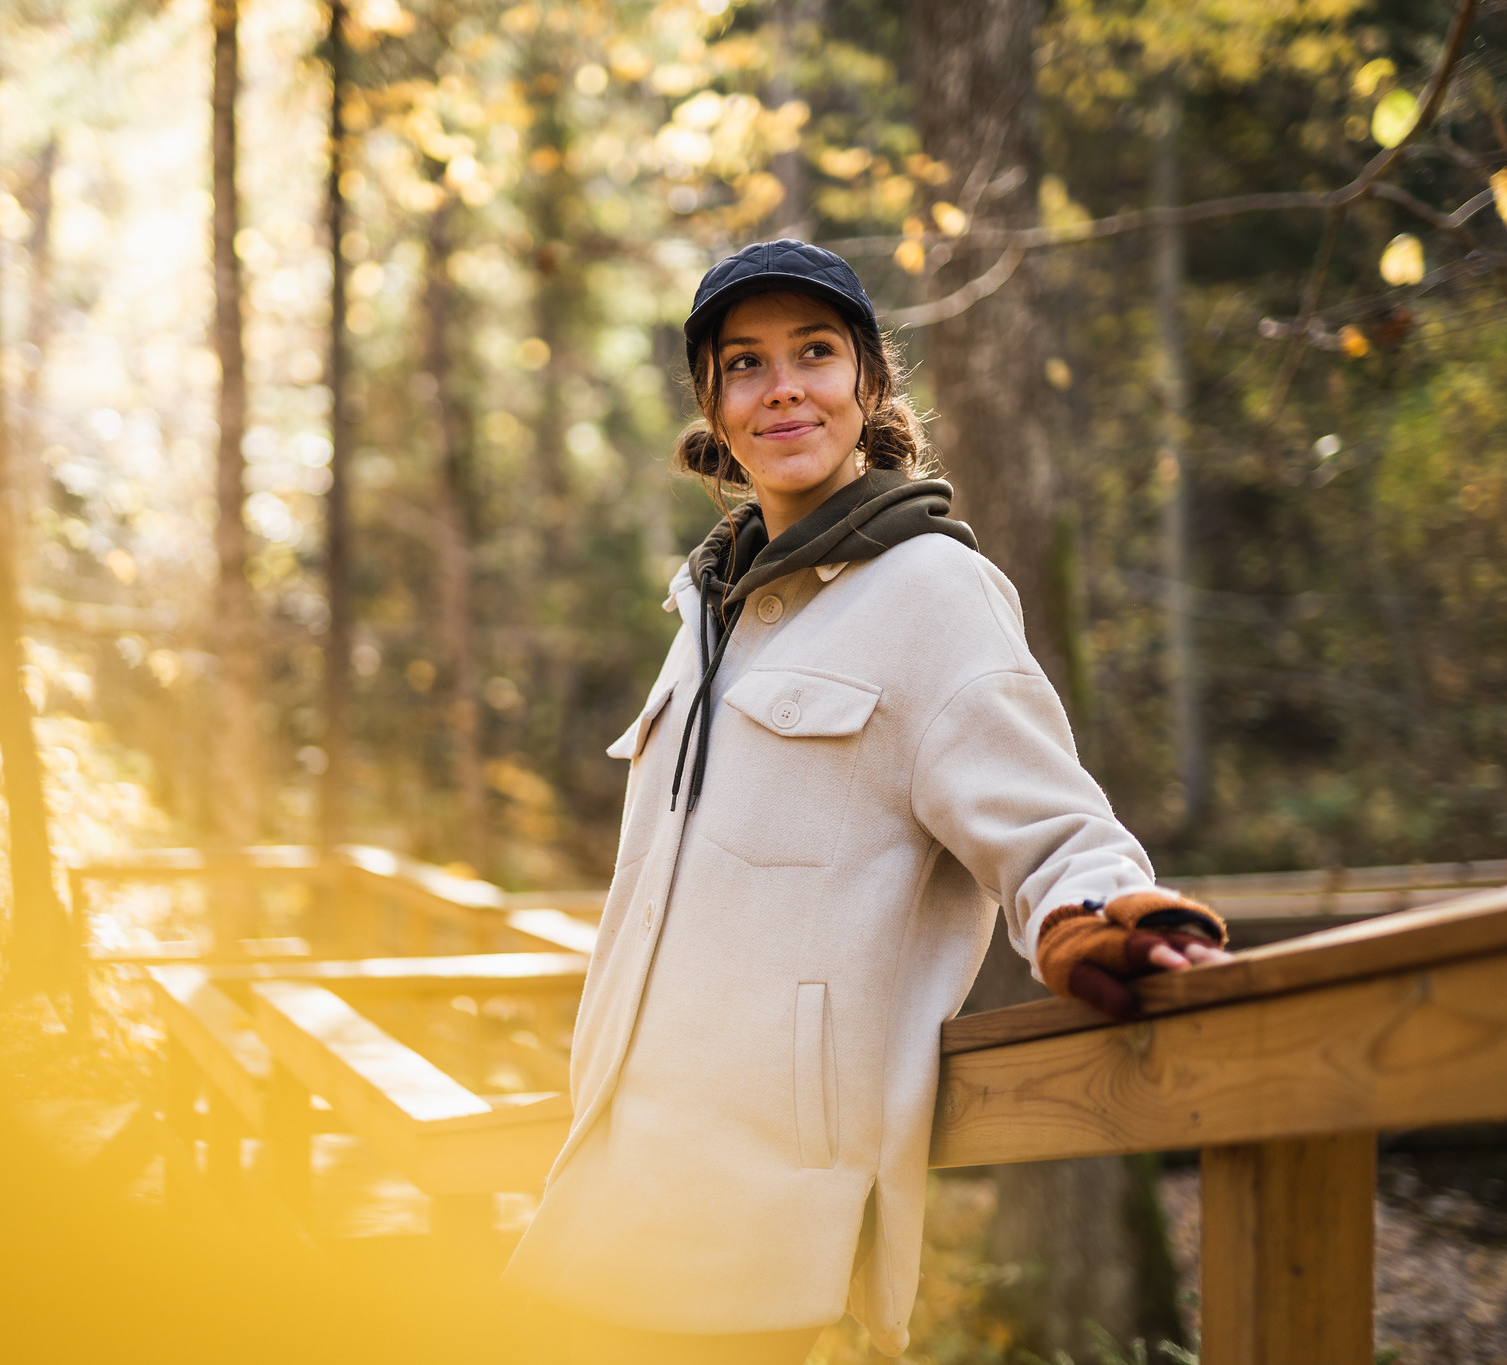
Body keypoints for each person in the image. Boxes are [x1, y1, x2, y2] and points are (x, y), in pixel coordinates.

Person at [502, 240, 1229, 1364]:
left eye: (814, 352)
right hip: (602, 1187)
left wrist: (1096, 911)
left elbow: (1049, 824)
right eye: (743, 363)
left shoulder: (933, 592)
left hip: (762, 1216)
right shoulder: (706, 610)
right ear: (714, 403)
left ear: (868, 384)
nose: (780, 385)